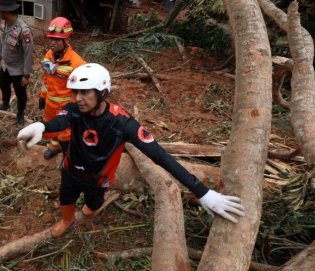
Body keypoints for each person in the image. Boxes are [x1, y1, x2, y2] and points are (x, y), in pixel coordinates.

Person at [17, 63, 245, 238]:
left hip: (98, 180)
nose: (78, 98)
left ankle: (86, 213)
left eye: (85, 92)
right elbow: (59, 122)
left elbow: (159, 155)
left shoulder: (122, 122)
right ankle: (66, 221)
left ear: (102, 92)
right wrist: (42, 127)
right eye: (76, 92)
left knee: (92, 206)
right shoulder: (73, 110)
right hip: (70, 171)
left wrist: (202, 191)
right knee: (66, 200)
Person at [39, 17, 86, 160]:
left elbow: (83, 89)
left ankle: (68, 156)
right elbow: (46, 78)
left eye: (57, 40)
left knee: (66, 133)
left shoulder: (77, 63)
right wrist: (42, 96)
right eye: (51, 39)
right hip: (50, 104)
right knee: (51, 126)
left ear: (67, 40)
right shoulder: (49, 55)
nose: (53, 42)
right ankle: (54, 146)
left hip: (66, 106)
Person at [0, 0, 34, 127]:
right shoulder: (3, 23)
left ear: (5, 12)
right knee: (2, 83)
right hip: (6, 65)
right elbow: (1, 41)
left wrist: (26, 75)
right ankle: (5, 104)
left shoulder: (24, 31)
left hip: (18, 69)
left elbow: (28, 54)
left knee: (20, 93)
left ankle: (20, 114)